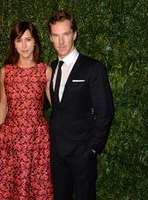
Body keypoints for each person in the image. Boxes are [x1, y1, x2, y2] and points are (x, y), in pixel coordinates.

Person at [48, 10, 115, 200]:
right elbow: (44, 103)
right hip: (57, 154)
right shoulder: (50, 68)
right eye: (56, 35)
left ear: (75, 34)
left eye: (66, 34)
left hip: (82, 153)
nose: (61, 41)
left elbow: (106, 111)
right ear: (51, 38)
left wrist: (92, 148)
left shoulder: (93, 68)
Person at [0, 21, 53, 200]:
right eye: (19, 40)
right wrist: (2, 132)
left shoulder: (45, 71)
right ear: (13, 44)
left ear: (35, 42)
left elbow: (57, 106)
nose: (24, 45)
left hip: (36, 140)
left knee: (37, 188)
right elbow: (3, 105)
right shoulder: (6, 72)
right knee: (6, 188)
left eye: (28, 39)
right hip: (10, 139)